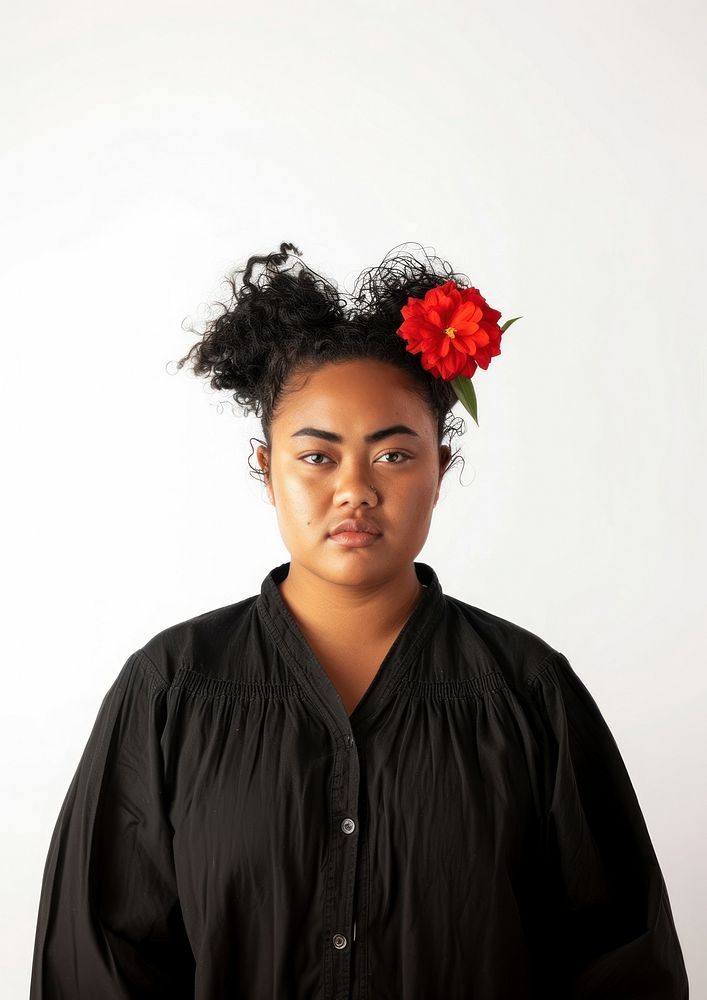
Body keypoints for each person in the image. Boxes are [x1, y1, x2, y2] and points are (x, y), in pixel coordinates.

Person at [30, 241, 689, 998]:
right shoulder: (172, 688)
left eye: (393, 456)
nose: (353, 490)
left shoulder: (528, 692)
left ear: (439, 470)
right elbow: (98, 960)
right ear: (266, 468)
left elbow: (619, 962)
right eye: (316, 457)